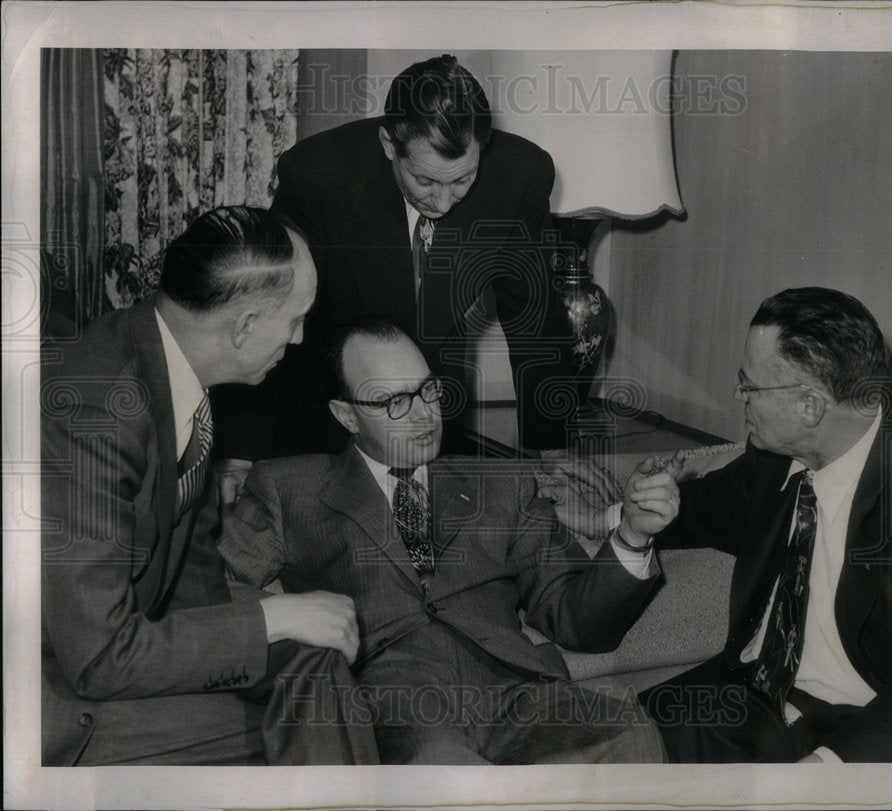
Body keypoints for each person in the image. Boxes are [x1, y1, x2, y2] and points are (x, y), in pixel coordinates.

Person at [219, 314, 677, 764]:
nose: (424, 415)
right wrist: (292, 623)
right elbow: (213, 591)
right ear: (347, 415)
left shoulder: (503, 485)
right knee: (445, 770)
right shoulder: (288, 487)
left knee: (628, 733)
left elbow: (578, 622)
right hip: (394, 700)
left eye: (428, 390)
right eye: (393, 402)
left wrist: (633, 534)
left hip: (518, 693)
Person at [40, 207, 378, 766]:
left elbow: (191, 564)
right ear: (244, 325)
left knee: (312, 667)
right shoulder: (95, 412)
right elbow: (98, 657)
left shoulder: (168, 363)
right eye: (295, 320)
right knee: (306, 722)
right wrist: (274, 617)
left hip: (114, 645)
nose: (297, 340)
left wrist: (275, 628)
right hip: (52, 689)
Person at [210, 53, 612, 505]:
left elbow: (532, 316)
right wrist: (241, 452)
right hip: (330, 404)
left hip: (435, 407)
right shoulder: (318, 174)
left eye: (462, 180)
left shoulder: (520, 177)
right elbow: (268, 306)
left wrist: (551, 446)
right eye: (425, 181)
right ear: (388, 144)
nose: (443, 202)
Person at [631, 287, 892, 762]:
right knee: (605, 738)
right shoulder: (775, 457)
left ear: (810, 406)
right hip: (747, 692)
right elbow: (700, 507)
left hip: (855, 729)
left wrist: (827, 769)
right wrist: (621, 511)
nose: (738, 395)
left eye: (749, 385)